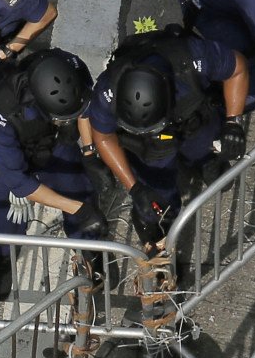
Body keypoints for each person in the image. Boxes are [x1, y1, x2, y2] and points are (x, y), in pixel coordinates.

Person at [0, 48, 105, 297]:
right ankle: (5, 255)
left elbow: (84, 108)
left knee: (79, 187)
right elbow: (17, 181)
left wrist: (89, 151)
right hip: (0, 159)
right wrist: (76, 209)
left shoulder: (71, 67)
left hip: (48, 141)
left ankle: (87, 248)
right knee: (2, 215)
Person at [83, 25, 238, 244]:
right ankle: (158, 235)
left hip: (192, 119)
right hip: (152, 147)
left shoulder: (191, 60)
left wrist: (233, 123)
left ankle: (205, 161)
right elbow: (103, 137)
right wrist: (135, 189)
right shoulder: (108, 93)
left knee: (203, 141)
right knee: (156, 193)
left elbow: (237, 69)